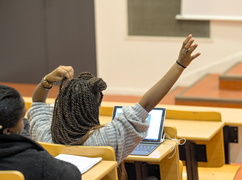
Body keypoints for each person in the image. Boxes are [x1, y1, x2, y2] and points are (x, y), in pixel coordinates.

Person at [27, 34, 201, 179]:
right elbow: (147, 103)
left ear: (62, 102)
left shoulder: (44, 134)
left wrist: (47, 80)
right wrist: (180, 65)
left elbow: (37, 103)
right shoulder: (108, 138)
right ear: (95, 106)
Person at [0, 85, 81, 180]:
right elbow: (73, 175)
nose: (24, 122)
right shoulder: (35, 161)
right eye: (21, 118)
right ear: (8, 131)